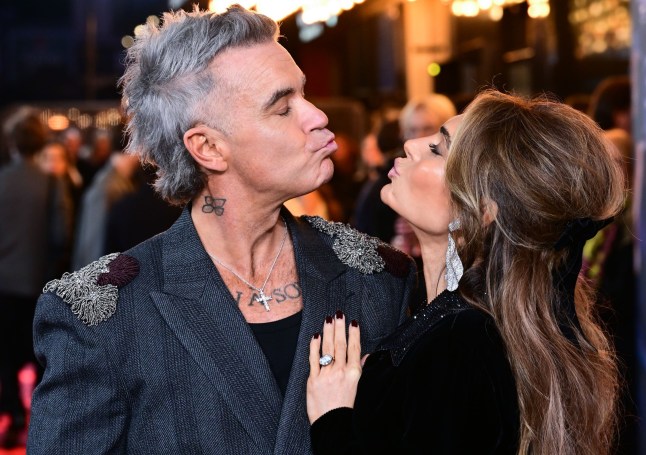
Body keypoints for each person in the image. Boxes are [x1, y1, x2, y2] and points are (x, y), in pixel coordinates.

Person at [27, 6, 416, 454]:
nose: (317, 117)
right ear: (208, 147)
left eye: (304, 95)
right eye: (283, 107)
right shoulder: (101, 317)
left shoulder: (376, 277)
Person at [307, 90, 624, 454]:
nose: (411, 144)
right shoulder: (468, 320)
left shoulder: (464, 340)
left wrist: (333, 419)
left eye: (438, 149)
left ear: (485, 208)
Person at [0, 108, 72, 448]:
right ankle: (42, 424)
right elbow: (62, 234)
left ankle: (13, 414)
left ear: (12, 142)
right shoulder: (50, 182)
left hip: (3, 286)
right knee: (42, 356)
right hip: (41, 284)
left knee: (6, 356)